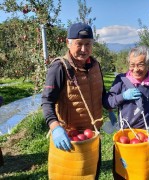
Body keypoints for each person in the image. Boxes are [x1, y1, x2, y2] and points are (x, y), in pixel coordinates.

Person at [41, 22, 111, 179]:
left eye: (88, 44)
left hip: (92, 136)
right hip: (70, 138)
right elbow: (47, 101)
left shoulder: (95, 65)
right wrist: (55, 127)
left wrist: (113, 107)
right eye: (79, 44)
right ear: (68, 43)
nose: (84, 50)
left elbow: (102, 94)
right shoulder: (59, 67)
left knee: (92, 174)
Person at [104, 46, 149, 179]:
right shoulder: (121, 80)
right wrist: (122, 96)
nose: (135, 69)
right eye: (132, 65)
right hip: (125, 136)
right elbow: (107, 102)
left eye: (140, 65)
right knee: (124, 172)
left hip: (146, 136)